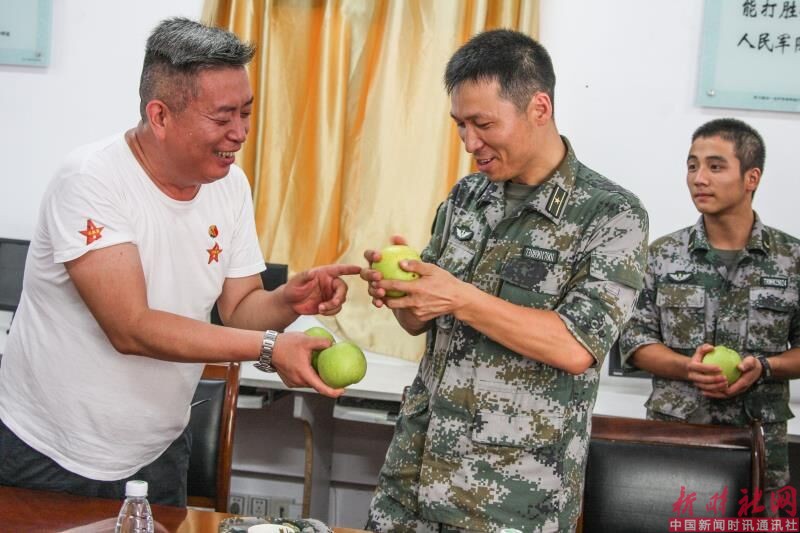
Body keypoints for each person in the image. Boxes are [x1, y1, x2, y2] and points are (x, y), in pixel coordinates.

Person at [0, 18, 359, 506]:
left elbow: (240, 308)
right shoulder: (91, 181)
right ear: (161, 115)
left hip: (160, 449)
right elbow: (131, 328)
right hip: (51, 452)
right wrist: (270, 347)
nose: (240, 133)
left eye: (246, 113)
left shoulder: (229, 186)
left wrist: (288, 300)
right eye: (223, 117)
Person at [361, 29, 649, 532]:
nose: (471, 143)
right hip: (411, 480)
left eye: (484, 124)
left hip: (510, 500)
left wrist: (460, 297)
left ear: (539, 108)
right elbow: (421, 323)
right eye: (460, 125)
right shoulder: (468, 197)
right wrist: (403, 293)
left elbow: (574, 347)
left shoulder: (611, 215)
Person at [620, 118, 800, 505]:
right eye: (692, 166)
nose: (699, 178)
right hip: (676, 437)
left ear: (751, 177)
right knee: (667, 522)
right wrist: (687, 368)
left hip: (759, 445)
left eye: (715, 166)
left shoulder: (792, 260)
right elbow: (634, 342)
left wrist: (764, 367)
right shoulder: (662, 255)